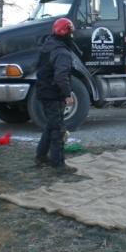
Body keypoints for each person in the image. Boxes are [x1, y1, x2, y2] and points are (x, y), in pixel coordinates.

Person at [35, 18, 77, 173]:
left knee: (51, 125)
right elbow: (61, 76)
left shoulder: (47, 46)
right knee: (58, 129)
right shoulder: (62, 52)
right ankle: (58, 164)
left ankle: (40, 157)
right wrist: (67, 94)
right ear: (68, 32)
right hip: (54, 94)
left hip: (44, 91)